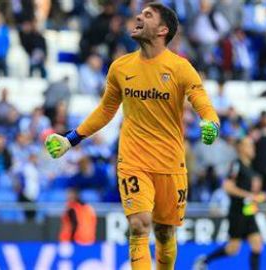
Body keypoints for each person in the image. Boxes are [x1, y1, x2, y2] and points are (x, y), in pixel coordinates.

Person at [45, 3, 220, 269]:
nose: (138, 16)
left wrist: (211, 123)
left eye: (148, 15)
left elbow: (204, 105)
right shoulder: (121, 67)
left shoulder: (180, 68)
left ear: (163, 30)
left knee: (164, 233)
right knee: (139, 225)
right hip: (133, 161)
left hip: (170, 164)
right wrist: (70, 139)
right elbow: (106, 110)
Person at [194, 137, 266, 270]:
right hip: (237, 212)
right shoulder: (237, 165)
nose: (252, 148)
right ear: (241, 148)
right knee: (233, 248)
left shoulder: (249, 167)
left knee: (257, 244)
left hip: (248, 212)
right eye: (249, 145)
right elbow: (227, 186)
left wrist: (257, 197)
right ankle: (205, 260)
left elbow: (250, 193)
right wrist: (249, 196)